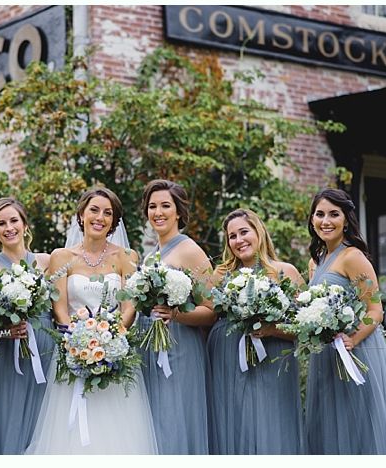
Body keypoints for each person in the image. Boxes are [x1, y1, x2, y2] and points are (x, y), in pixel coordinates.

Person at [24, 187, 157, 454]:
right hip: (73, 352)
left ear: (114, 221)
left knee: (118, 432)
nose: (100, 217)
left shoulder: (126, 257)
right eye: (94, 210)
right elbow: (60, 308)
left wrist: (111, 340)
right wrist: (79, 342)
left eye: (108, 213)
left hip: (116, 353)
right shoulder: (61, 257)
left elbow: (129, 306)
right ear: (81, 215)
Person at [303, 188, 386, 455]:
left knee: (358, 425)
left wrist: (352, 338)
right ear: (312, 219)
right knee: (330, 424)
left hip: (356, 350)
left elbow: (375, 309)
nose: (326, 221)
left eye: (334, 214)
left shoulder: (354, 257)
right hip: (326, 353)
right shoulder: (316, 261)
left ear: (346, 219)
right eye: (320, 214)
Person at [207, 208, 305, 454]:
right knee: (236, 423)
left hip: (273, 359)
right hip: (228, 359)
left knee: (273, 422)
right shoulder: (221, 275)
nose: (239, 240)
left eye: (244, 232)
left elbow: (304, 327)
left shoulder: (285, 271)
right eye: (232, 236)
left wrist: (273, 329)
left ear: (258, 232)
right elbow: (206, 315)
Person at [137, 179, 214, 454]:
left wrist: (177, 315)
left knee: (175, 420)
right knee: (156, 425)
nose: (158, 212)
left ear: (178, 212)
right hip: (150, 348)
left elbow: (212, 310)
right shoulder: (150, 256)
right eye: (152, 206)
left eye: (165, 206)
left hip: (179, 349)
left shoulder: (190, 250)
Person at [0, 198, 54, 454]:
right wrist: (5, 332)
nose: (9, 228)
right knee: (7, 423)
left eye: (13, 221)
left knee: (45, 425)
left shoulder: (47, 262)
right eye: (1, 223)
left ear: (25, 224)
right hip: (7, 360)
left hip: (45, 352)